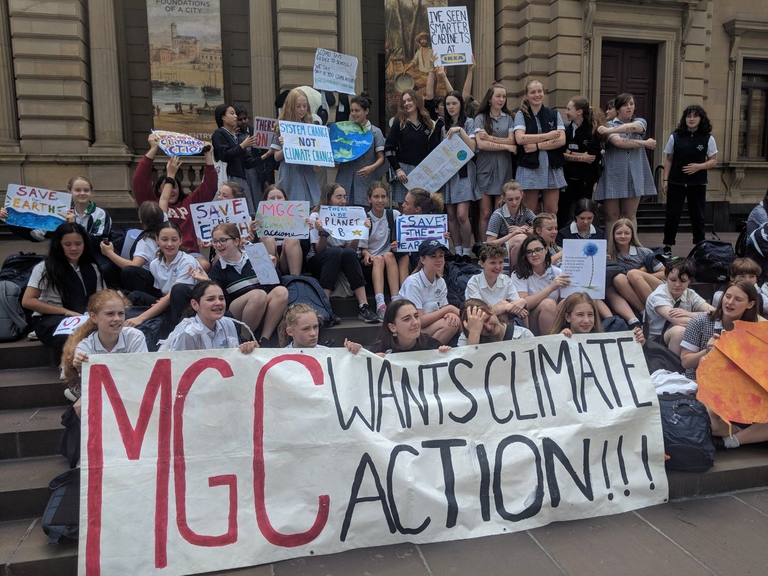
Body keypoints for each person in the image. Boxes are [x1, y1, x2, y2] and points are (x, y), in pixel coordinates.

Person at [132, 133, 216, 272]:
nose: (171, 191)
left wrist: (208, 156)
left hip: (188, 253)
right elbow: (139, 181)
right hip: (161, 254)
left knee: (204, 265)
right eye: (166, 187)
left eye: (174, 187)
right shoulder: (153, 204)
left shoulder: (189, 202)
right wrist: (153, 149)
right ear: (159, 190)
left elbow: (210, 186)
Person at [60, 290, 147, 421]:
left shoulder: (135, 336)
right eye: (110, 314)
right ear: (93, 317)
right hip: (103, 398)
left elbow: (140, 374)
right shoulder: (84, 347)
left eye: (121, 313)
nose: (117, 319)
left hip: (132, 396)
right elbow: (93, 386)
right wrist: (79, 366)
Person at [196, 223, 289, 346]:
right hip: (237, 311)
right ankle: (243, 339)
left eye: (223, 240)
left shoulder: (256, 257)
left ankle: (264, 339)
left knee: (281, 291)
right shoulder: (217, 270)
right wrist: (207, 282)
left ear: (236, 241)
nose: (218, 245)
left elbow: (274, 285)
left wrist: (272, 268)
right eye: (215, 241)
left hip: (262, 305)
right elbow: (221, 300)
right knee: (258, 295)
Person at [22, 223, 105, 353]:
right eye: (68, 245)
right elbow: (28, 300)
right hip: (51, 318)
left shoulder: (92, 268)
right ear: (59, 245)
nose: (74, 248)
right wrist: (65, 311)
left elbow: (100, 297)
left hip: (86, 316)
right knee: (78, 336)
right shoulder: (44, 268)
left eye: (78, 244)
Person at [307, 183, 380, 323]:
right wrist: (323, 233)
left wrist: (360, 231)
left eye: (345, 197)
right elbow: (318, 250)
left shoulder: (348, 215)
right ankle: (325, 306)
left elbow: (350, 249)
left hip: (340, 258)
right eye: (339, 197)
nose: (343, 201)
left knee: (347, 253)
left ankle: (364, 306)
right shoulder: (316, 215)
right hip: (320, 260)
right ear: (328, 198)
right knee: (334, 252)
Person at [595, 93, 657, 232]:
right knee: (612, 216)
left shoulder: (640, 121)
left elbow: (635, 128)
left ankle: (631, 249)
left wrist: (610, 130)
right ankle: (611, 251)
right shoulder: (607, 123)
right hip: (613, 173)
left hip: (634, 173)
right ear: (617, 109)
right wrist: (645, 143)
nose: (629, 107)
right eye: (625, 105)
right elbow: (618, 142)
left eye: (631, 104)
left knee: (629, 215)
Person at [123, 221, 201, 332]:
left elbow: (172, 295)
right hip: (167, 301)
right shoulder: (155, 264)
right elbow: (163, 292)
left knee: (177, 290)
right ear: (157, 240)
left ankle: (175, 329)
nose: (169, 244)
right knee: (135, 296)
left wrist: (140, 318)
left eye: (174, 240)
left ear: (180, 240)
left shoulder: (187, 262)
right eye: (164, 239)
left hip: (187, 305)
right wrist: (161, 302)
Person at [662, 105, 718, 254]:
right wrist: (665, 180)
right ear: (684, 118)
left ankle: (700, 246)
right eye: (688, 116)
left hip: (697, 183)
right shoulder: (675, 136)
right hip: (676, 181)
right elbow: (668, 159)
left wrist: (699, 166)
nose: (691, 119)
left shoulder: (707, 137)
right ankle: (668, 246)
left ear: (701, 118)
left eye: (695, 116)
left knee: (698, 215)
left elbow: (713, 161)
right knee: (672, 214)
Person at [680, 280, 762, 382]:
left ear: (750, 304)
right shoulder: (700, 321)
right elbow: (686, 363)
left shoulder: (754, 330)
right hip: (698, 382)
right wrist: (707, 351)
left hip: (738, 385)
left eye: (738, 299)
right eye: (727, 296)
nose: (730, 302)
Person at [514, 79, 566, 215]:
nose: (537, 95)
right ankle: (531, 236)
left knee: (552, 210)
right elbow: (520, 138)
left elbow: (561, 140)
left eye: (539, 91)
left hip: (551, 165)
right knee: (529, 210)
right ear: (526, 96)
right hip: (529, 166)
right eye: (532, 92)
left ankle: (549, 236)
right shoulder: (520, 114)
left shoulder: (554, 114)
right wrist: (548, 135)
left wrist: (537, 145)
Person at [159, 281, 258, 353]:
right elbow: (181, 368)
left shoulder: (228, 323)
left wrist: (247, 349)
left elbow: (235, 359)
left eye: (221, 298)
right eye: (211, 299)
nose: (218, 303)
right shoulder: (188, 333)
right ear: (195, 304)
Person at [473, 84, 517, 238]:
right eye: (498, 96)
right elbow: (482, 145)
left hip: (503, 168)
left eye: (504, 96)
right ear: (490, 99)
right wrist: (506, 147)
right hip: (484, 168)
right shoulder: (480, 118)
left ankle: (499, 245)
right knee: (485, 212)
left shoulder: (509, 119)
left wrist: (492, 139)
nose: (501, 99)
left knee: (500, 212)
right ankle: (485, 246)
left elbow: (513, 141)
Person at [385, 89, 443, 204]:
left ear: (417, 101)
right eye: (404, 102)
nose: (406, 104)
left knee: (422, 207)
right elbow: (389, 148)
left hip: (424, 172)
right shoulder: (399, 122)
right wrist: (398, 169)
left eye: (409, 100)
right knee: (405, 208)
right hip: (404, 174)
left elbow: (435, 150)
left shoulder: (429, 124)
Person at [397, 240, 461, 344]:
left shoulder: (440, 282)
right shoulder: (413, 283)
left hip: (428, 326)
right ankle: (428, 354)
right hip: (409, 331)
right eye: (433, 256)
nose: (439, 260)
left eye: (441, 256)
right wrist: (450, 309)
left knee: (456, 321)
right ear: (422, 259)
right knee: (450, 324)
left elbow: (444, 310)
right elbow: (419, 321)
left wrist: (450, 313)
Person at [644, 259, 714, 355]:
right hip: (656, 342)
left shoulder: (690, 294)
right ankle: (674, 366)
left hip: (686, 336)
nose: (677, 285)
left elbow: (715, 312)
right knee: (679, 331)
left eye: (683, 281)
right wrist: (704, 318)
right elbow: (679, 321)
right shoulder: (658, 295)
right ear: (666, 278)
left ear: (689, 281)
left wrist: (690, 314)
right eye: (673, 280)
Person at [442, 90, 480, 262]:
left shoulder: (469, 122)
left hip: (464, 172)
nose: (451, 107)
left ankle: (466, 251)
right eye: (448, 104)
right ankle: (456, 251)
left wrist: (459, 130)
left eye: (454, 103)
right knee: (451, 215)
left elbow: (473, 148)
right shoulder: (443, 126)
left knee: (462, 215)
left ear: (460, 105)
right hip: (448, 173)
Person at [100, 201, 165, 296]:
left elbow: (134, 265)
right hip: (159, 278)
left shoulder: (146, 241)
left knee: (129, 271)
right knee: (108, 268)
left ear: (141, 220)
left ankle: (124, 295)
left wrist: (109, 253)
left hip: (153, 283)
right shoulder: (162, 232)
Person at [606, 219, 664, 325]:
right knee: (619, 278)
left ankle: (655, 309)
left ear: (632, 235)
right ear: (613, 235)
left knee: (632, 273)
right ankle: (644, 312)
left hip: (650, 287)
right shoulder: (609, 254)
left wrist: (641, 276)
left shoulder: (643, 252)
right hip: (626, 290)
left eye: (627, 233)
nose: (623, 236)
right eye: (619, 233)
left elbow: (664, 272)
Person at [334, 92, 386, 207]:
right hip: (344, 179)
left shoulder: (375, 132)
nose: (353, 114)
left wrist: (371, 168)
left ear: (366, 111)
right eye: (352, 111)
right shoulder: (344, 131)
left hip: (365, 181)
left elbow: (381, 158)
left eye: (357, 111)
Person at [271, 88, 322, 205]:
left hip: (308, 174)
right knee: (291, 207)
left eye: (305, 106)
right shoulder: (281, 127)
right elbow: (276, 157)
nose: (302, 109)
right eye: (298, 106)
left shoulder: (310, 127)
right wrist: (286, 148)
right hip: (290, 175)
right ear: (290, 106)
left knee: (312, 206)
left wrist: (317, 163)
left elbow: (314, 152)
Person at [512, 234, 570, 335]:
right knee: (548, 303)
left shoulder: (557, 272)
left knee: (570, 302)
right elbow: (524, 303)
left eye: (538, 250)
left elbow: (563, 302)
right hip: (529, 319)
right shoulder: (519, 274)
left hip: (553, 316)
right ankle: (552, 343)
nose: (534, 254)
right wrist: (551, 287)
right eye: (529, 252)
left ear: (546, 250)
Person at [561, 96, 604, 227]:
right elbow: (561, 153)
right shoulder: (565, 129)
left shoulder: (592, 129)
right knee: (565, 210)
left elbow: (591, 157)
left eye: (569, 109)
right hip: (567, 178)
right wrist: (580, 156)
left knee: (585, 208)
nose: (566, 112)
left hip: (586, 179)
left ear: (579, 111)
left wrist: (569, 153)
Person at [360, 181, 401, 319]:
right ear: (369, 199)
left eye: (383, 197)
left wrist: (397, 244)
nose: (380, 200)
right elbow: (363, 248)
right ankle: (380, 303)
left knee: (389, 255)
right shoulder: (365, 219)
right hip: (372, 260)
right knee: (378, 258)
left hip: (389, 258)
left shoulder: (393, 214)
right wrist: (366, 254)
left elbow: (406, 233)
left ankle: (395, 300)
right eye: (376, 197)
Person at [465, 243, 528, 323]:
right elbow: (481, 314)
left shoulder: (506, 280)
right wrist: (505, 305)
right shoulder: (473, 283)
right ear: (481, 263)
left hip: (504, 322)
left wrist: (522, 301)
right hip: (481, 324)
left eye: (501, 262)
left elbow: (517, 304)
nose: (498, 267)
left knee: (523, 312)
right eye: (493, 263)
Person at [552, 292, 646, 345]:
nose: (586, 320)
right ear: (568, 317)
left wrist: (637, 345)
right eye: (580, 315)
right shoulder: (558, 339)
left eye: (590, 314)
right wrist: (557, 343)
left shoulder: (608, 341)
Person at [253, 184, 306, 276]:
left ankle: (296, 279)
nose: (276, 201)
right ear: (265, 201)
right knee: (267, 238)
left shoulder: (298, 217)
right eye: (272, 198)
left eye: (279, 197)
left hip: (289, 256)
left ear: (285, 199)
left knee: (291, 238)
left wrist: (307, 228)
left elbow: (306, 246)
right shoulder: (257, 219)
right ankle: (268, 277)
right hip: (270, 256)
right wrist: (252, 231)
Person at [212, 103, 256, 212]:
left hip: (241, 177)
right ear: (223, 117)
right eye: (232, 113)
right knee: (230, 211)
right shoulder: (219, 133)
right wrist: (243, 146)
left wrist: (267, 154)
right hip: (229, 177)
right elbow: (225, 154)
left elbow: (246, 162)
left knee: (244, 213)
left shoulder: (235, 136)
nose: (235, 116)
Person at [396, 188, 446, 283]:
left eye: (407, 203)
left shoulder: (434, 223)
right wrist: (395, 246)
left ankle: (437, 285)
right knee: (404, 257)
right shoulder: (400, 221)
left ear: (417, 209)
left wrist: (444, 237)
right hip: (408, 260)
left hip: (425, 258)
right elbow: (398, 246)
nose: (403, 205)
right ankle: (405, 290)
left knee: (437, 255)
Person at [485, 180, 535, 270]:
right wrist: (512, 234)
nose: (514, 202)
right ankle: (515, 273)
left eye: (517, 198)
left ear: (522, 195)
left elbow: (540, 228)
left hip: (518, 247)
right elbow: (489, 243)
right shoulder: (497, 215)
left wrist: (525, 230)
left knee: (523, 239)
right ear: (503, 198)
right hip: (500, 249)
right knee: (521, 239)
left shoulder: (526, 211)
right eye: (510, 199)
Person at [369, 299, 450, 355]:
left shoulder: (432, 346)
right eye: (407, 319)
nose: (415, 322)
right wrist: (373, 363)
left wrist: (446, 354)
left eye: (416, 316)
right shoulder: (378, 351)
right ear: (392, 327)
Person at [459, 298, 533, 346]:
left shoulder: (523, 335)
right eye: (481, 326)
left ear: (491, 309)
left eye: (488, 319)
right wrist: (474, 333)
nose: (489, 327)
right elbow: (467, 368)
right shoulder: (466, 340)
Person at [235, 105, 265, 209]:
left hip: (256, 171)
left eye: (245, 118)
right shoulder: (234, 135)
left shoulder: (256, 132)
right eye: (240, 119)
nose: (243, 121)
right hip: (242, 172)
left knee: (258, 200)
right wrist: (235, 137)